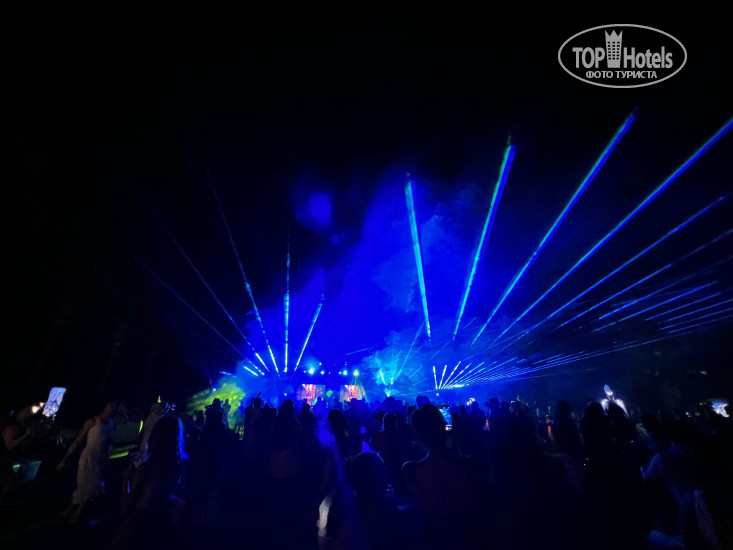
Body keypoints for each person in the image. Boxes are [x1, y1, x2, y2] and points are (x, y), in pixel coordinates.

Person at [58, 400, 119, 521]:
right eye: (111, 404)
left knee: (92, 483)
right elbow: (78, 440)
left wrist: (107, 455)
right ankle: (71, 509)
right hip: (88, 455)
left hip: (99, 456)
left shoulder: (111, 423)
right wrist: (64, 459)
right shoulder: (92, 421)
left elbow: (111, 442)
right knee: (83, 482)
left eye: (115, 406)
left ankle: (79, 510)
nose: (113, 407)